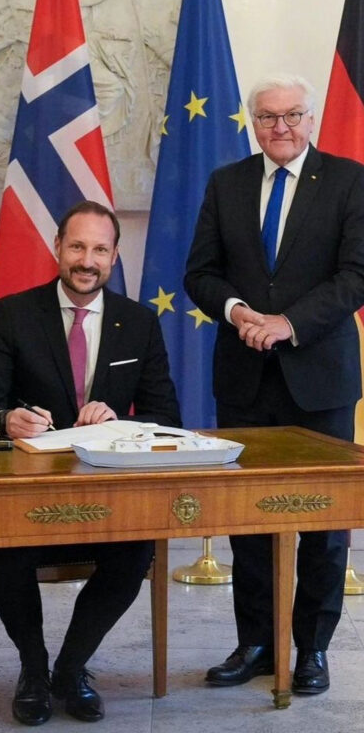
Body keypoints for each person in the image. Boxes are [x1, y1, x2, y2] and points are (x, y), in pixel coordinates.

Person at [0, 200, 180, 725]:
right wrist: (6, 420)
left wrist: (120, 420)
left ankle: (71, 666)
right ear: (57, 247)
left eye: (100, 250)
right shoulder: (16, 313)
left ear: (114, 257)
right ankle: (33, 669)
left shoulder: (139, 322)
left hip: (107, 497)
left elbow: (166, 415)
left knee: (136, 551)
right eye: (77, 246)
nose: (87, 260)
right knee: (4, 550)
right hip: (27, 496)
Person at [184, 74, 364, 695]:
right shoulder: (226, 183)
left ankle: (312, 648)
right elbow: (200, 274)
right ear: (252, 123)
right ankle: (257, 642)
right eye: (267, 117)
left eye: (291, 115)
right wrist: (238, 312)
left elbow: (356, 276)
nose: (280, 127)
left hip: (321, 378)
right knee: (249, 518)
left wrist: (289, 324)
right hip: (245, 377)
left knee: (323, 522)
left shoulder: (349, 180)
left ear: (311, 119)